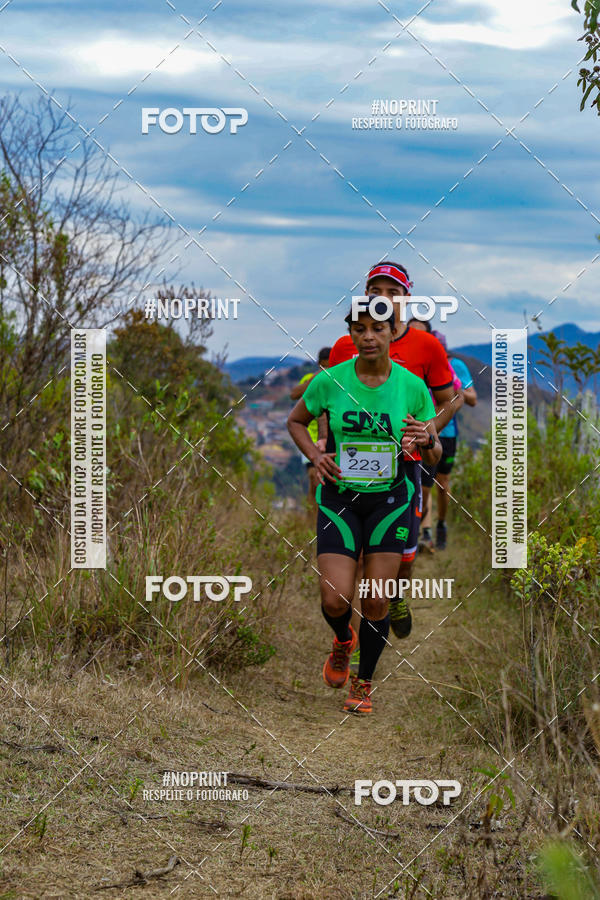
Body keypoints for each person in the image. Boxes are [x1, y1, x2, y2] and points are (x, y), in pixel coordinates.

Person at [287, 299, 441, 714]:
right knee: (335, 600)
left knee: (376, 600)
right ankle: (343, 640)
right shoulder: (330, 381)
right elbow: (295, 420)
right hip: (340, 498)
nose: (368, 336)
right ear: (350, 334)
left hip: (389, 500)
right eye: (359, 329)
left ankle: (364, 681)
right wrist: (315, 456)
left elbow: (435, 453)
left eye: (377, 328)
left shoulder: (411, 386)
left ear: (393, 332)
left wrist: (427, 440)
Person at [327, 262, 462, 641]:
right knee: (354, 556)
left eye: (393, 293)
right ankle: (355, 636)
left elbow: (450, 400)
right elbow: (328, 400)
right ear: (364, 296)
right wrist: (324, 443)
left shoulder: (427, 346)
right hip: (350, 467)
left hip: (405, 466)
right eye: (375, 292)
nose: (383, 299)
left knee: (402, 556)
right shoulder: (344, 345)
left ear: (407, 299)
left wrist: (426, 431)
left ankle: (396, 595)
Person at [409, 323, 477, 550]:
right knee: (423, 484)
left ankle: (440, 525)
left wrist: (450, 390)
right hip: (420, 433)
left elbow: (470, 398)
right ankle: (422, 532)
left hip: (447, 434)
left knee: (442, 483)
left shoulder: (455, 366)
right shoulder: (414, 361)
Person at [290, 347, 331, 506]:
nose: (327, 369)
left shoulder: (339, 379)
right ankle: (311, 515)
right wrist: (317, 377)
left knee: (326, 481)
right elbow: (294, 394)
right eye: (324, 366)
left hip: (331, 438)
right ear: (319, 364)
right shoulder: (310, 378)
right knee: (314, 479)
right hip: (311, 438)